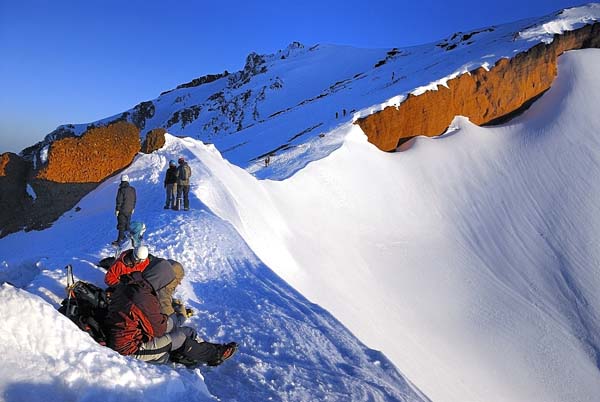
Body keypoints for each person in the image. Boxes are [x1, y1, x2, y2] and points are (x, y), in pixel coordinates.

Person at [103, 263, 237, 366]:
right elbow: (158, 329)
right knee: (179, 336)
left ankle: (200, 351)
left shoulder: (132, 284)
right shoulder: (143, 297)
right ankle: (214, 356)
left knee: (187, 331)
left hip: (127, 333)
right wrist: (172, 317)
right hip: (130, 349)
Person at [113, 174, 136, 246]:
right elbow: (134, 199)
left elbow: (119, 200)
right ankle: (127, 240)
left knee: (121, 226)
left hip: (122, 211)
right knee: (127, 225)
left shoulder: (121, 190)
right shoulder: (132, 189)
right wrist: (133, 208)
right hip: (129, 210)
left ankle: (120, 241)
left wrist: (117, 209)